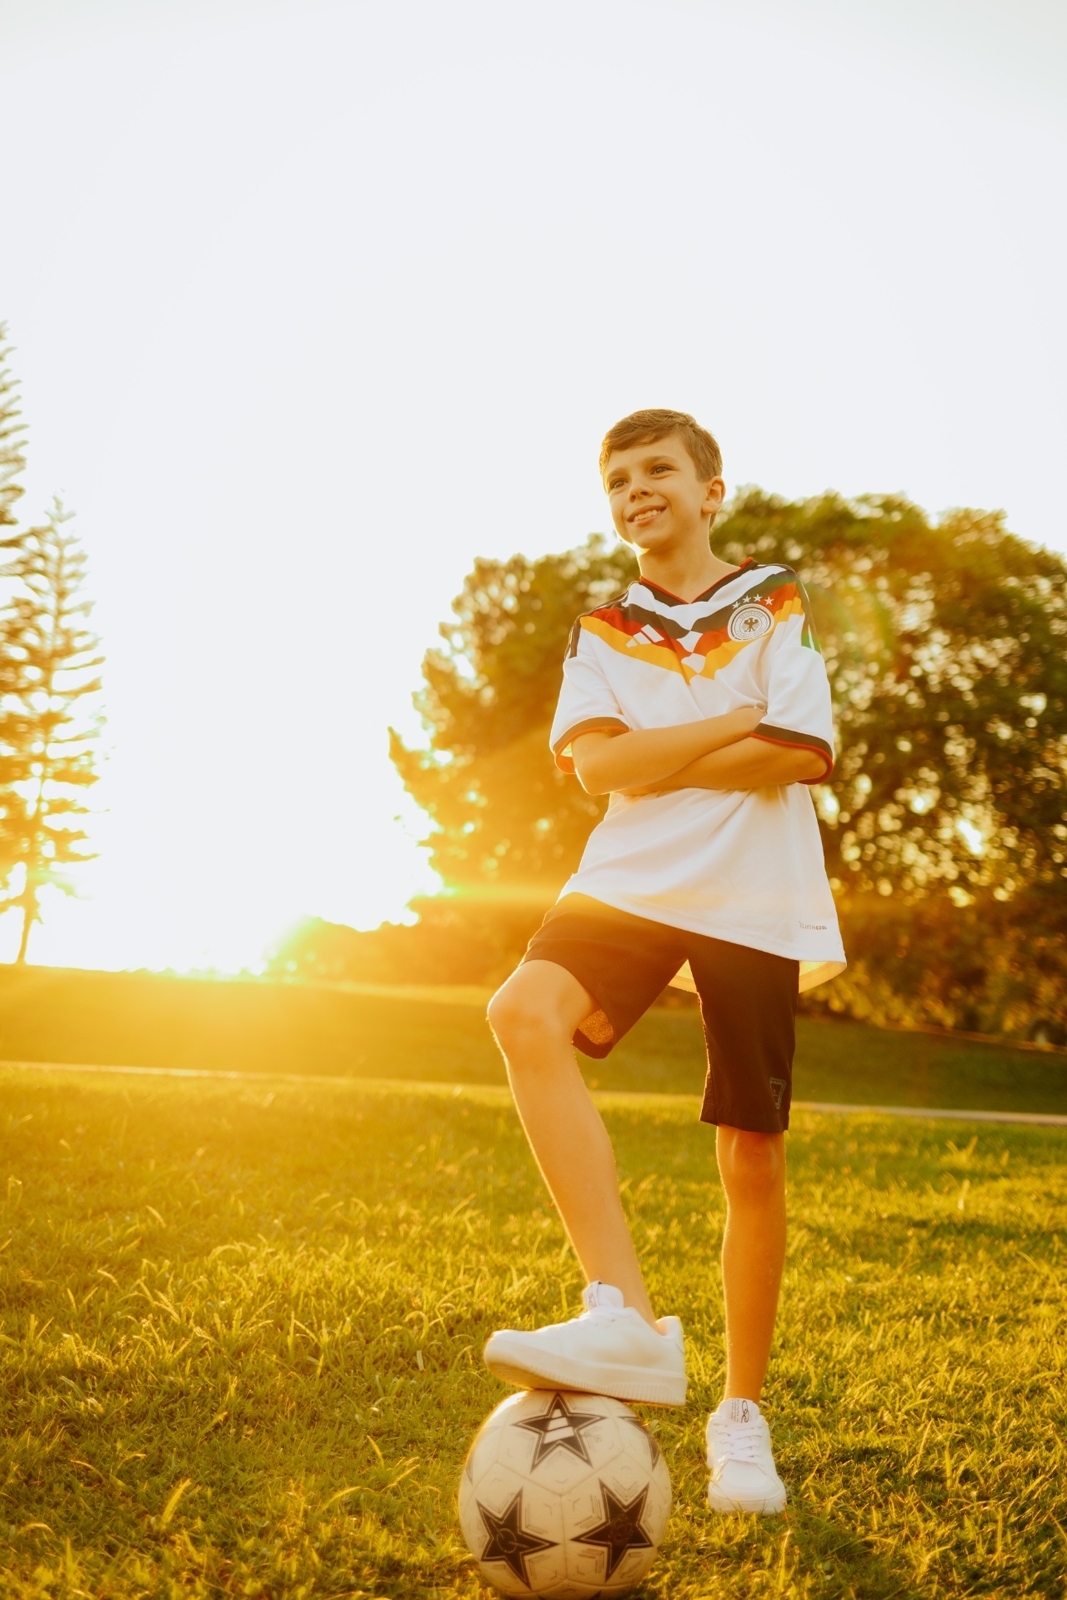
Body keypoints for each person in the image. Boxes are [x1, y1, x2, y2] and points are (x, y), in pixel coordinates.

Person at [483, 409, 845, 1515]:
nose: (634, 490)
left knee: (751, 1155)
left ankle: (740, 1416)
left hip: (752, 892)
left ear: (709, 490)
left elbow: (802, 749)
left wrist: (654, 756)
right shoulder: (602, 628)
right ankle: (624, 1314)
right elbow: (598, 772)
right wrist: (726, 725)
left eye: (656, 471)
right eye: (616, 480)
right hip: (629, 878)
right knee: (521, 1013)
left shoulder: (772, 598)